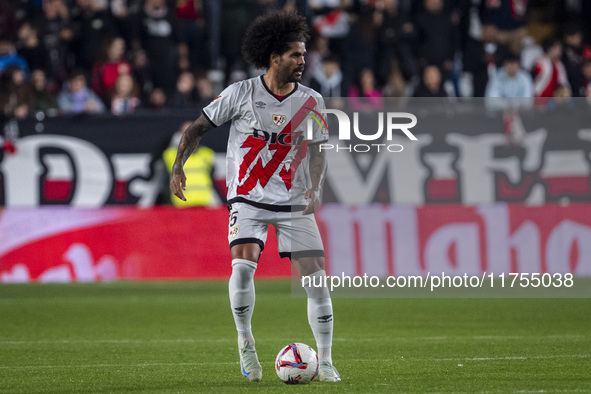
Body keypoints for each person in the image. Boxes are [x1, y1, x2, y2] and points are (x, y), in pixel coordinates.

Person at [169, 10, 340, 383]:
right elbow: (197, 129)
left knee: (316, 280)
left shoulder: (312, 101)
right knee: (243, 267)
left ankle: (325, 360)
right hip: (247, 198)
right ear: (274, 56)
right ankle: (246, 342)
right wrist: (178, 166)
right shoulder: (240, 93)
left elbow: (319, 151)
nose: (302, 61)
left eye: (304, 54)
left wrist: (316, 186)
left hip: (294, 201)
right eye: (295, 54)